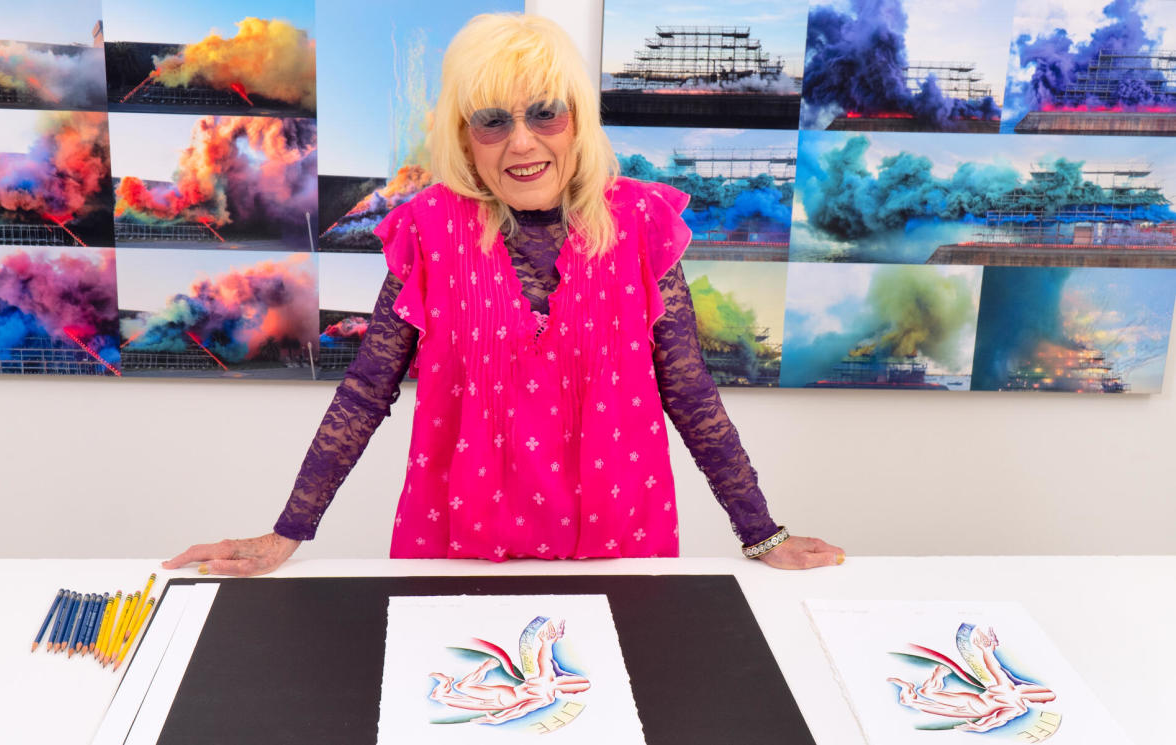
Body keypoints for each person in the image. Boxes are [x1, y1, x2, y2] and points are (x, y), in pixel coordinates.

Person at [163, 13, 844, 576]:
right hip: (458, 550)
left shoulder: (640, 224)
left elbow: (689, 390)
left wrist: (761, 533)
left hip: (622, 549)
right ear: (465, 136)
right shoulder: (427, 227)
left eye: (545, 113)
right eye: (492, 120)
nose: (523, 142)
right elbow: (366, 389)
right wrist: (287, 532)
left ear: (576, 118)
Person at [888, 627, 1056, 732]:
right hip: (973, 705)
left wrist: (987, 650)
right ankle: (912, 686)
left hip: (972, 707)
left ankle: (910, 687)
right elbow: (997, 718)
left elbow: (997, 717)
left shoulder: (1009, 692)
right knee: (923, 698)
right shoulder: (1014, 700)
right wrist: (986, 650)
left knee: (925, 695)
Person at [428, 618, 589, 724]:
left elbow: (521, 710)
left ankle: (447, 682)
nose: (565, 681)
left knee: (456, 692)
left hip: (503, 699)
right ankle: (449, 681)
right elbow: (521, 709)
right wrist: (547, 642)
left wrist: (499, 718)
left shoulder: (547, 684)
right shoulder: (547, 690)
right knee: (458, 691)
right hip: (505, 697)